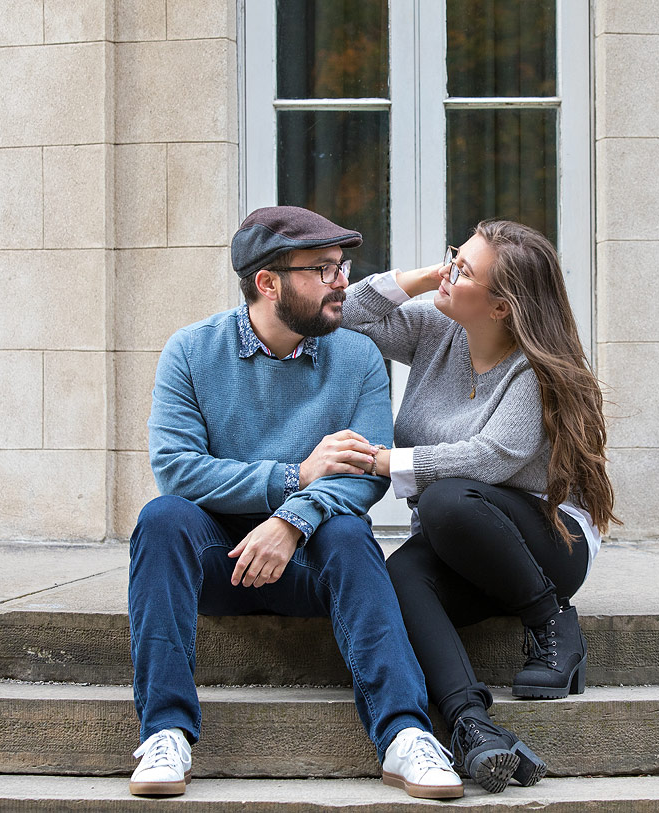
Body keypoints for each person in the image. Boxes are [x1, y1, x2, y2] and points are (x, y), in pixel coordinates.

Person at [126, 206, 462, 800]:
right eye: (323, 269)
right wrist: (293, 477)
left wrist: (293, 518)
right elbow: (176, 469)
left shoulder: (357, 354)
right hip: (220, 563)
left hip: (314, 566)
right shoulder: (191, 352)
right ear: (268, 282)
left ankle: (405, 736)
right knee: (162, 519)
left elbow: (364, 472)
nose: (342, 282)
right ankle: (166, 734)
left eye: (342, 266)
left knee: (350, 532)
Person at [341, 220, 619, 793]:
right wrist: (422, 278)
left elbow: (489, 459)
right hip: (463, 540)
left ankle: (552, 625)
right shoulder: (434, 329)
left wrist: (381, 462)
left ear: (500, 307)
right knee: (398, 574)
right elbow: (348, 312)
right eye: (452, 257)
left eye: (463, 270)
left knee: (446, 498)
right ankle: (472, 726)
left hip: (549, 545)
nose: (448, 271)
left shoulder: (532, 371)